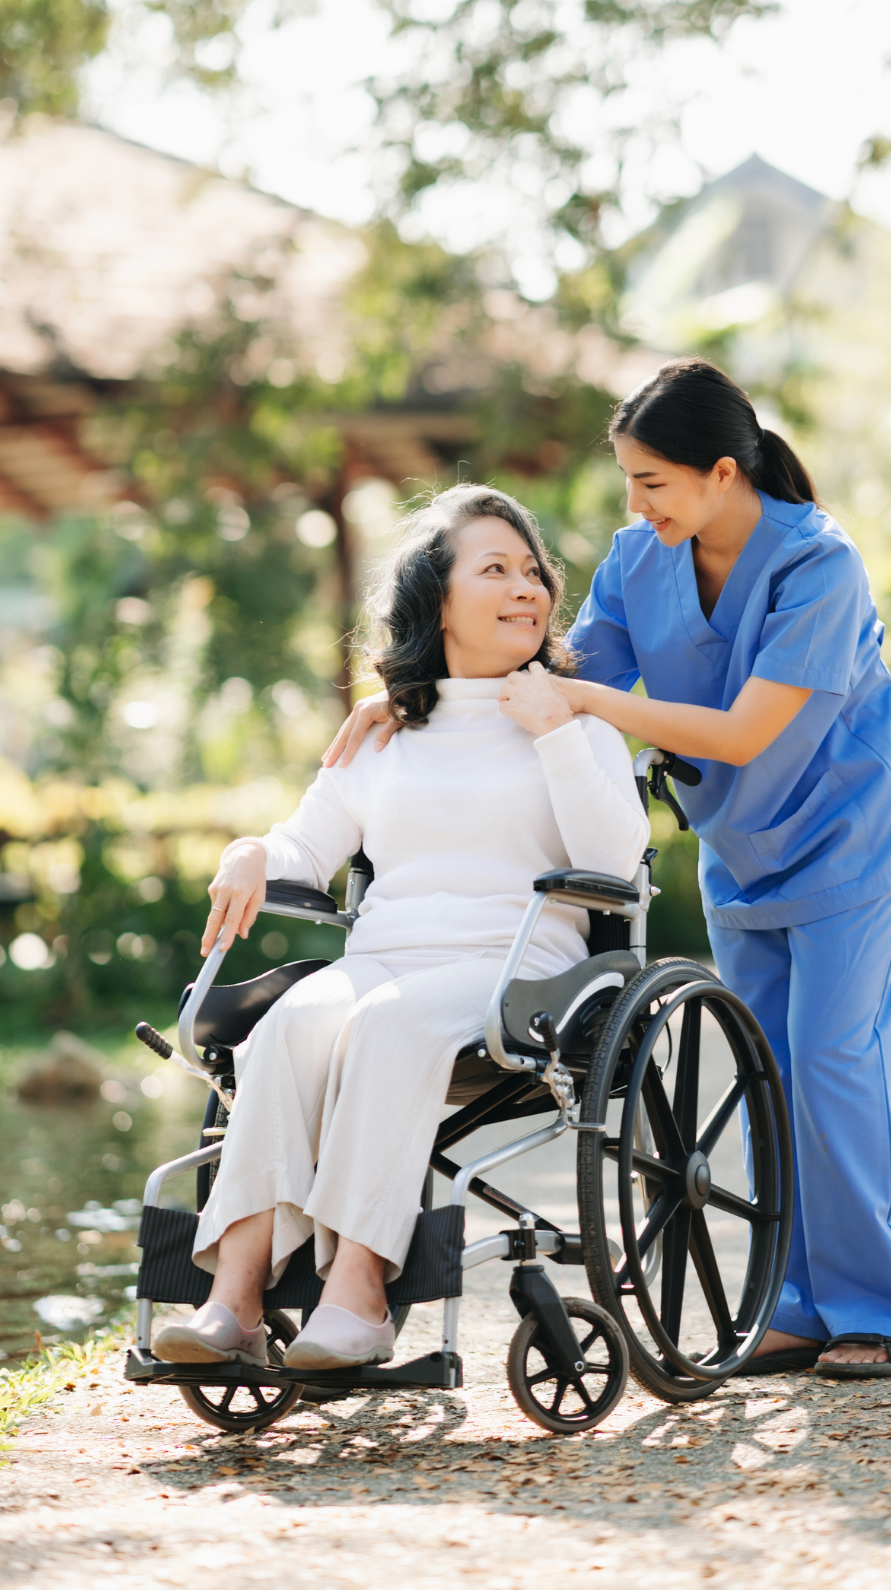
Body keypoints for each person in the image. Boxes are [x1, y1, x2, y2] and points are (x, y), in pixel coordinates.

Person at [327, 361, 891, 1381]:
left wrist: (594, 709)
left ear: (718, 472)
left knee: (839, 1064)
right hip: (742, 846)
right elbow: (561, 681)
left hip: (854, 836)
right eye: (628, 480)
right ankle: (797, 1304)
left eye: (651, 481)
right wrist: (414, 697)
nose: (634, 503)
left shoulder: (818, 566)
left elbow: (746, 728)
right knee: (769, 1079)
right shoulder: (640, 558)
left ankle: (884, 1308)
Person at [154, 485, 649, 1373]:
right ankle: (234, 1298)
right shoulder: (385, 732)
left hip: (520, 968)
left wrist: (556, 728)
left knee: (386, 1023)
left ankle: (361, 1292)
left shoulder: (579, 716)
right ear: (438, 599)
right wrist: (249, 850)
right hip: (385, 958)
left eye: (533, 570)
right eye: (494, 568)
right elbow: (304, 844)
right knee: (289, 1024)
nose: (527, 587)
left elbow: (616, 860)